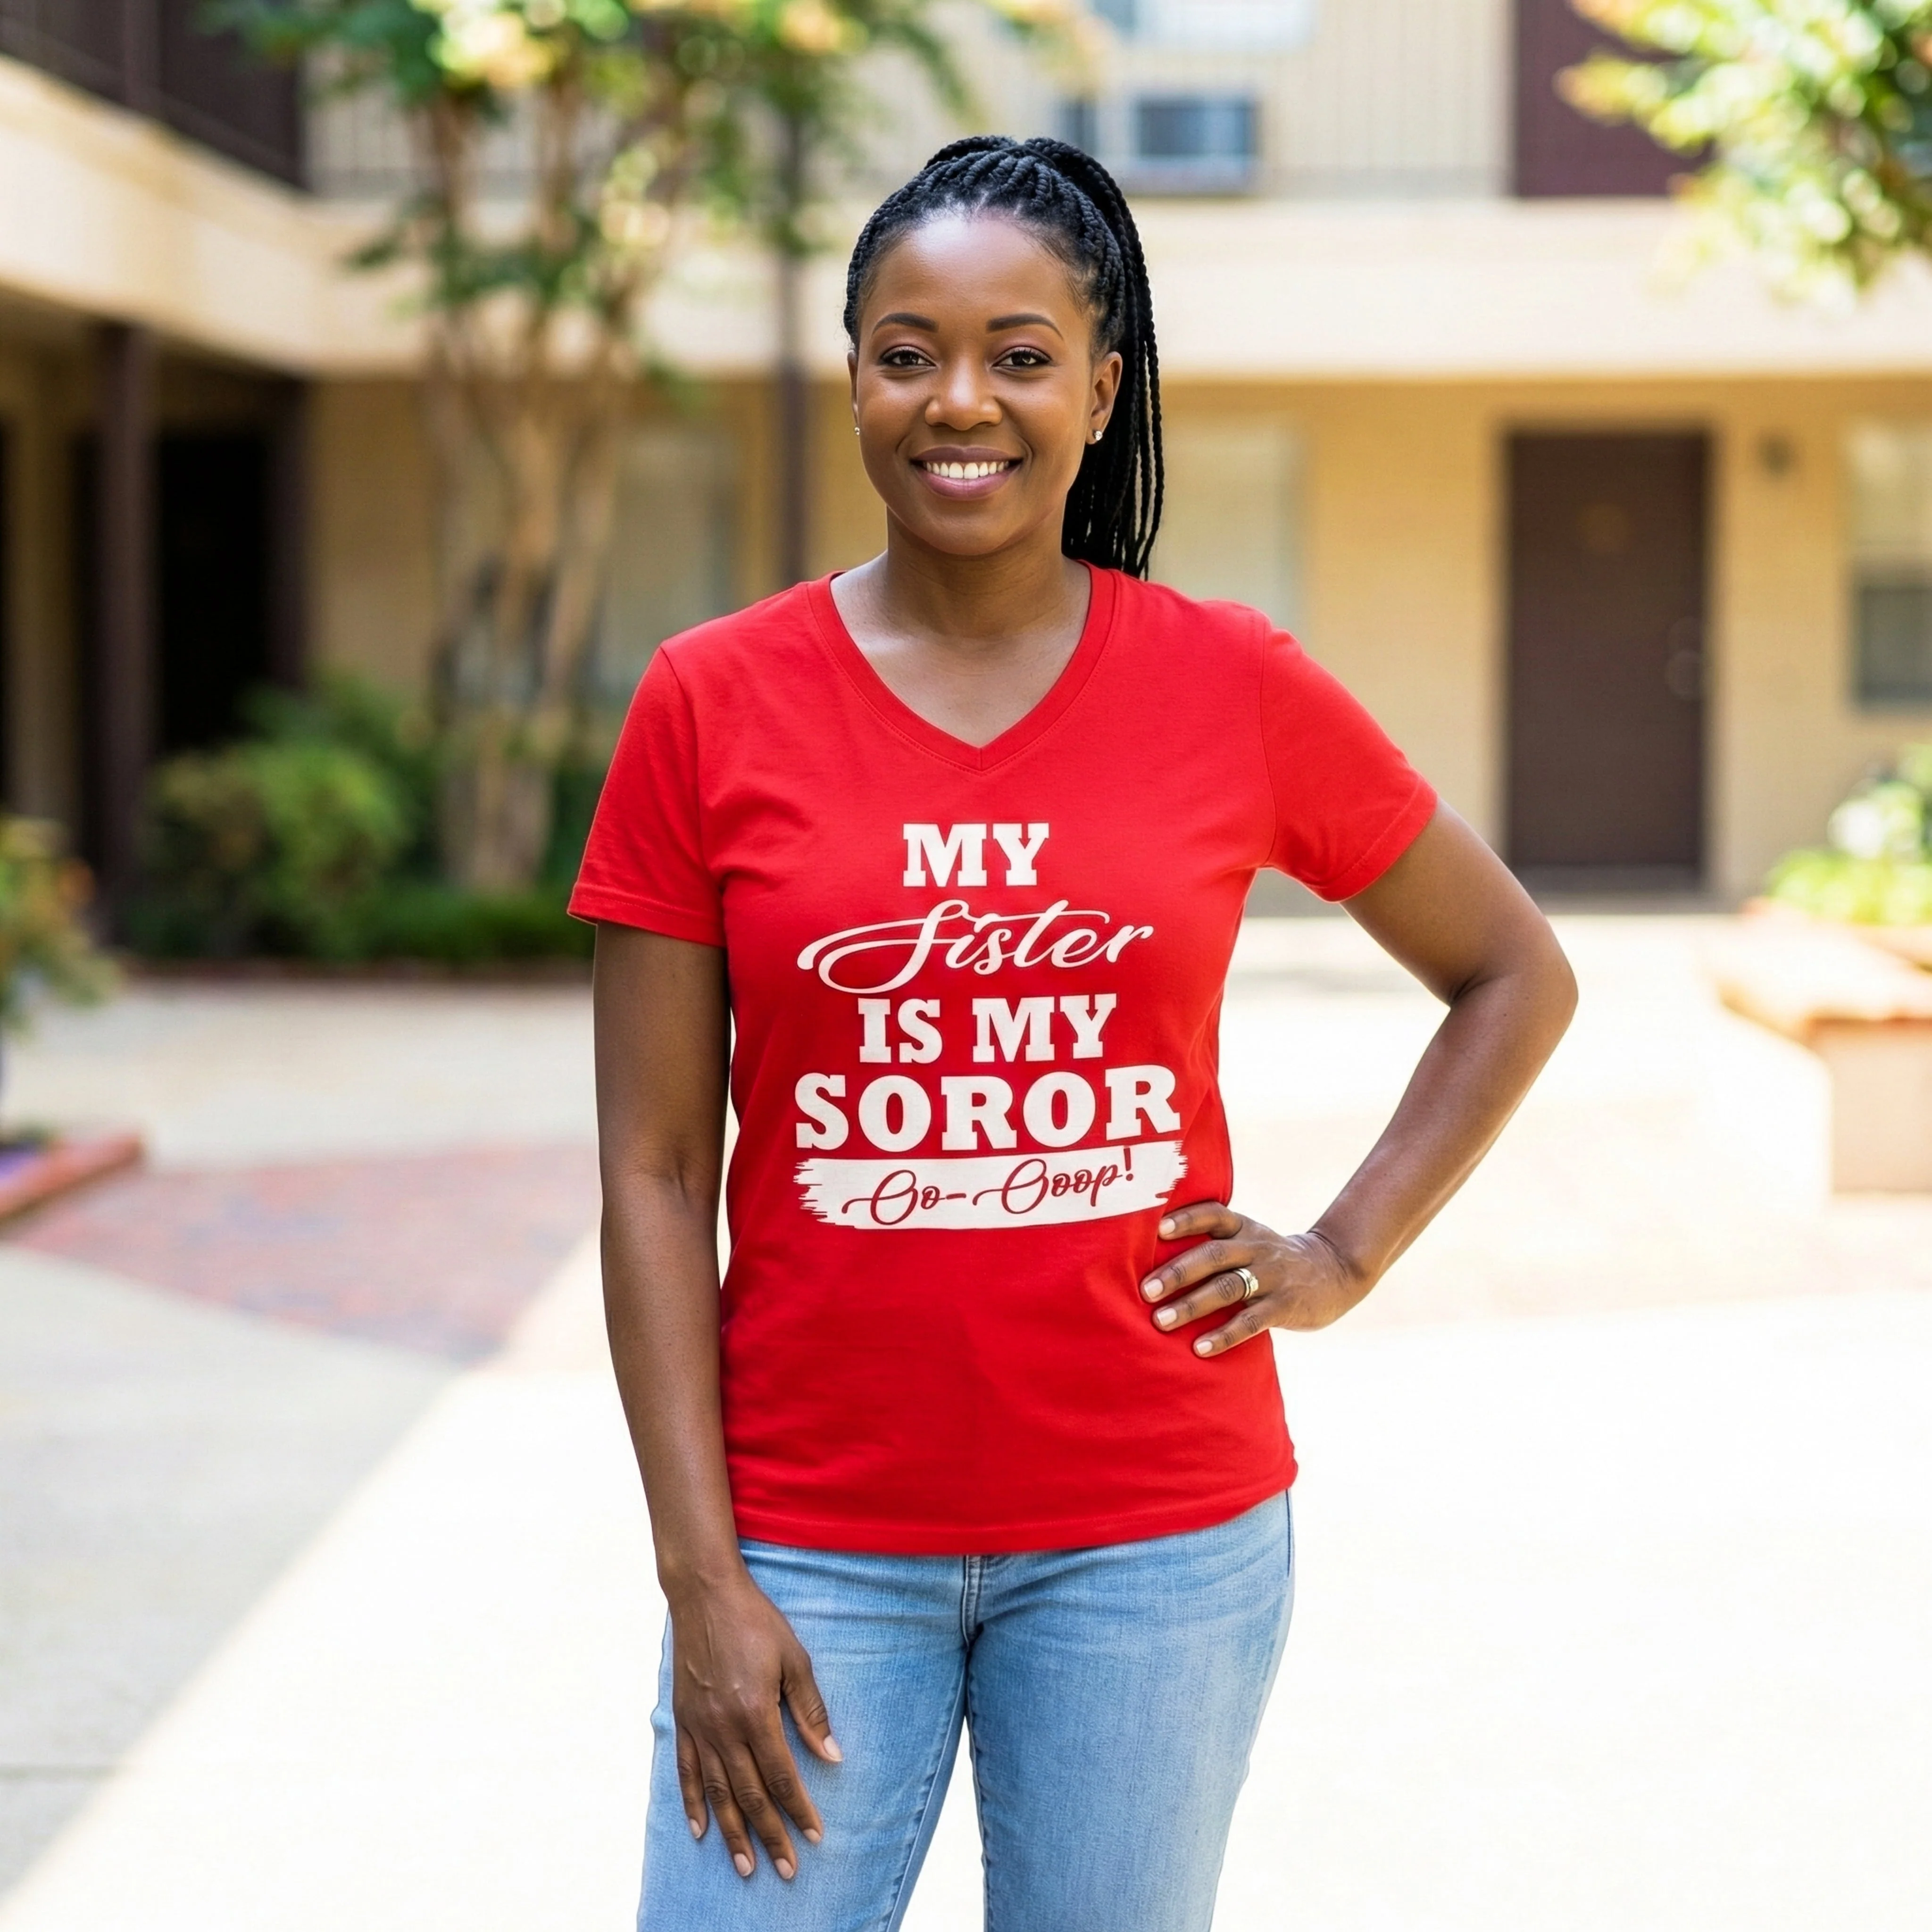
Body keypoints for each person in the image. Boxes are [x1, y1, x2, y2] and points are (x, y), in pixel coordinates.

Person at [574, 134, 1577, 1932]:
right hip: (808, 1539)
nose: (962, 401)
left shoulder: (1230, 683)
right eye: (908, 352)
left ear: (1102, 394)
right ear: (855, 377)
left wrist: (1343, 1251)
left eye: (1022, 356)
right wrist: (699, 1575)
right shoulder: (710, 702)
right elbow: (653, 1170)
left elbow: (1512, 971)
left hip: (1155, 1540)